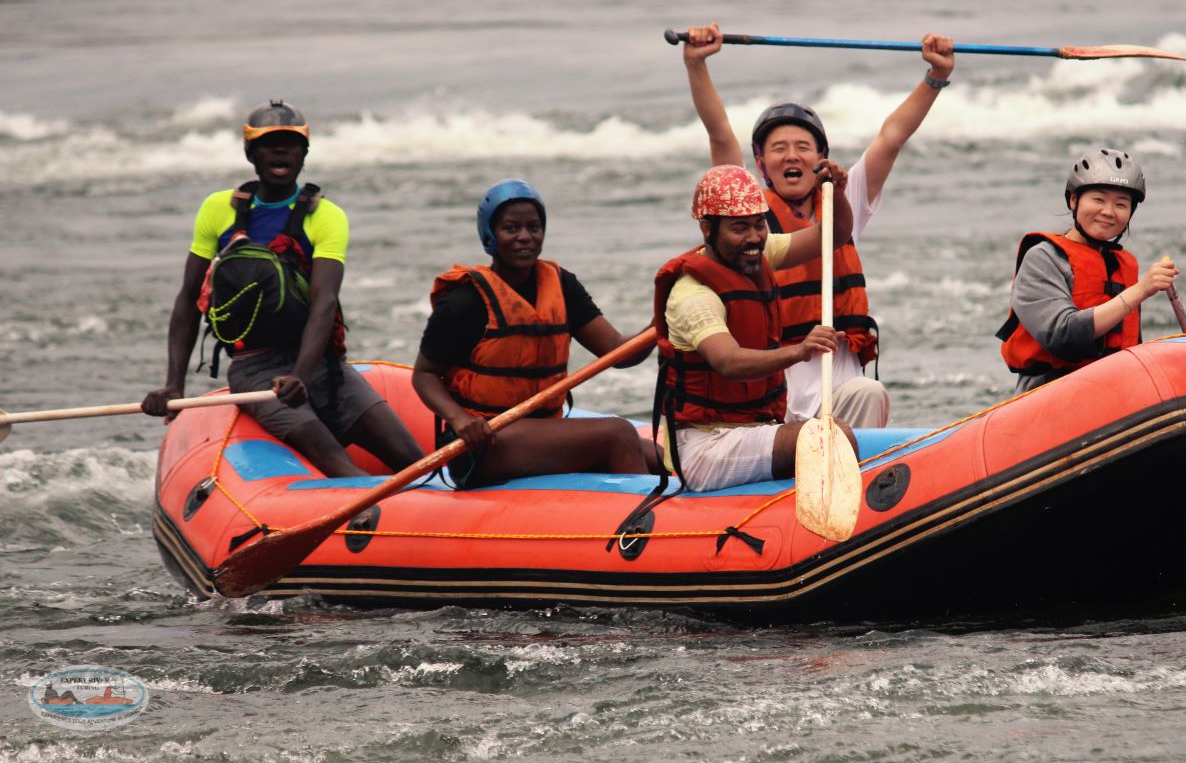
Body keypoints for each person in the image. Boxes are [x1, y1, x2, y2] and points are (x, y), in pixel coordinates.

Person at [680, 23, 957, 428]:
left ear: (821, 158)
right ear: (761, 164)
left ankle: (855, 481)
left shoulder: (843, 202)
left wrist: (936, 76)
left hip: (840, 387)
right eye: (779, 149)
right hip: (776, 388)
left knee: (870, 391)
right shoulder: (747, 216)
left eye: (803, 148)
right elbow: (720, 135)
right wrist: (696, 65)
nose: (791, 156)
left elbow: (892, 136)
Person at [143, 100, 423, 478]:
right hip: (255, 372)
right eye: (268, 143)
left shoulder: (326, 216)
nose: (280, 150)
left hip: (322, 367)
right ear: (250, 153)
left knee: (417, 462)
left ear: (304, 153)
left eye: (290, 143)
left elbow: (323, 303)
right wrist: (173, 385)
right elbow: (189, 299)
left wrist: (303, 377)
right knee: (341, 468)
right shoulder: (217, 210)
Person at [412, 179, 658, 487]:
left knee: (657, 456)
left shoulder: (561, 285)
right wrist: (460, 420)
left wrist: (659, 323)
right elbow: (424, 374)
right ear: (490, 235)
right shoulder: (466, 299)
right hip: (484, 442)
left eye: (534, 227)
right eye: (511, 229)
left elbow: (617, 353)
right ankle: (640, 528)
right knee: (619, 434)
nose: (525, 237)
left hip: (541, 432)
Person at [653, 164, 859, 491]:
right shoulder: (693, 296)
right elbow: (729, 362)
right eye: (739, 228)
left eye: (759, 224)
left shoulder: (760, 253)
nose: (753, 238)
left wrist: (839, 194)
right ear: (708, 230)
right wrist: (800, 351)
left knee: (839, 434)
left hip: (750, 429)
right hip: (705, 447)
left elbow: (832, 236)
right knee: (834, 438)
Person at [996, 148, 1181, 392]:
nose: (1108, 211)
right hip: (1049, 393)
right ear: (1074, 200)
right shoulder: (1043, 258)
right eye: (1098, 199)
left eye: (1121, 204)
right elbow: (1064, 337)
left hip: (1112, 390)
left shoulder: (1121, 263)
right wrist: (1141, 290)